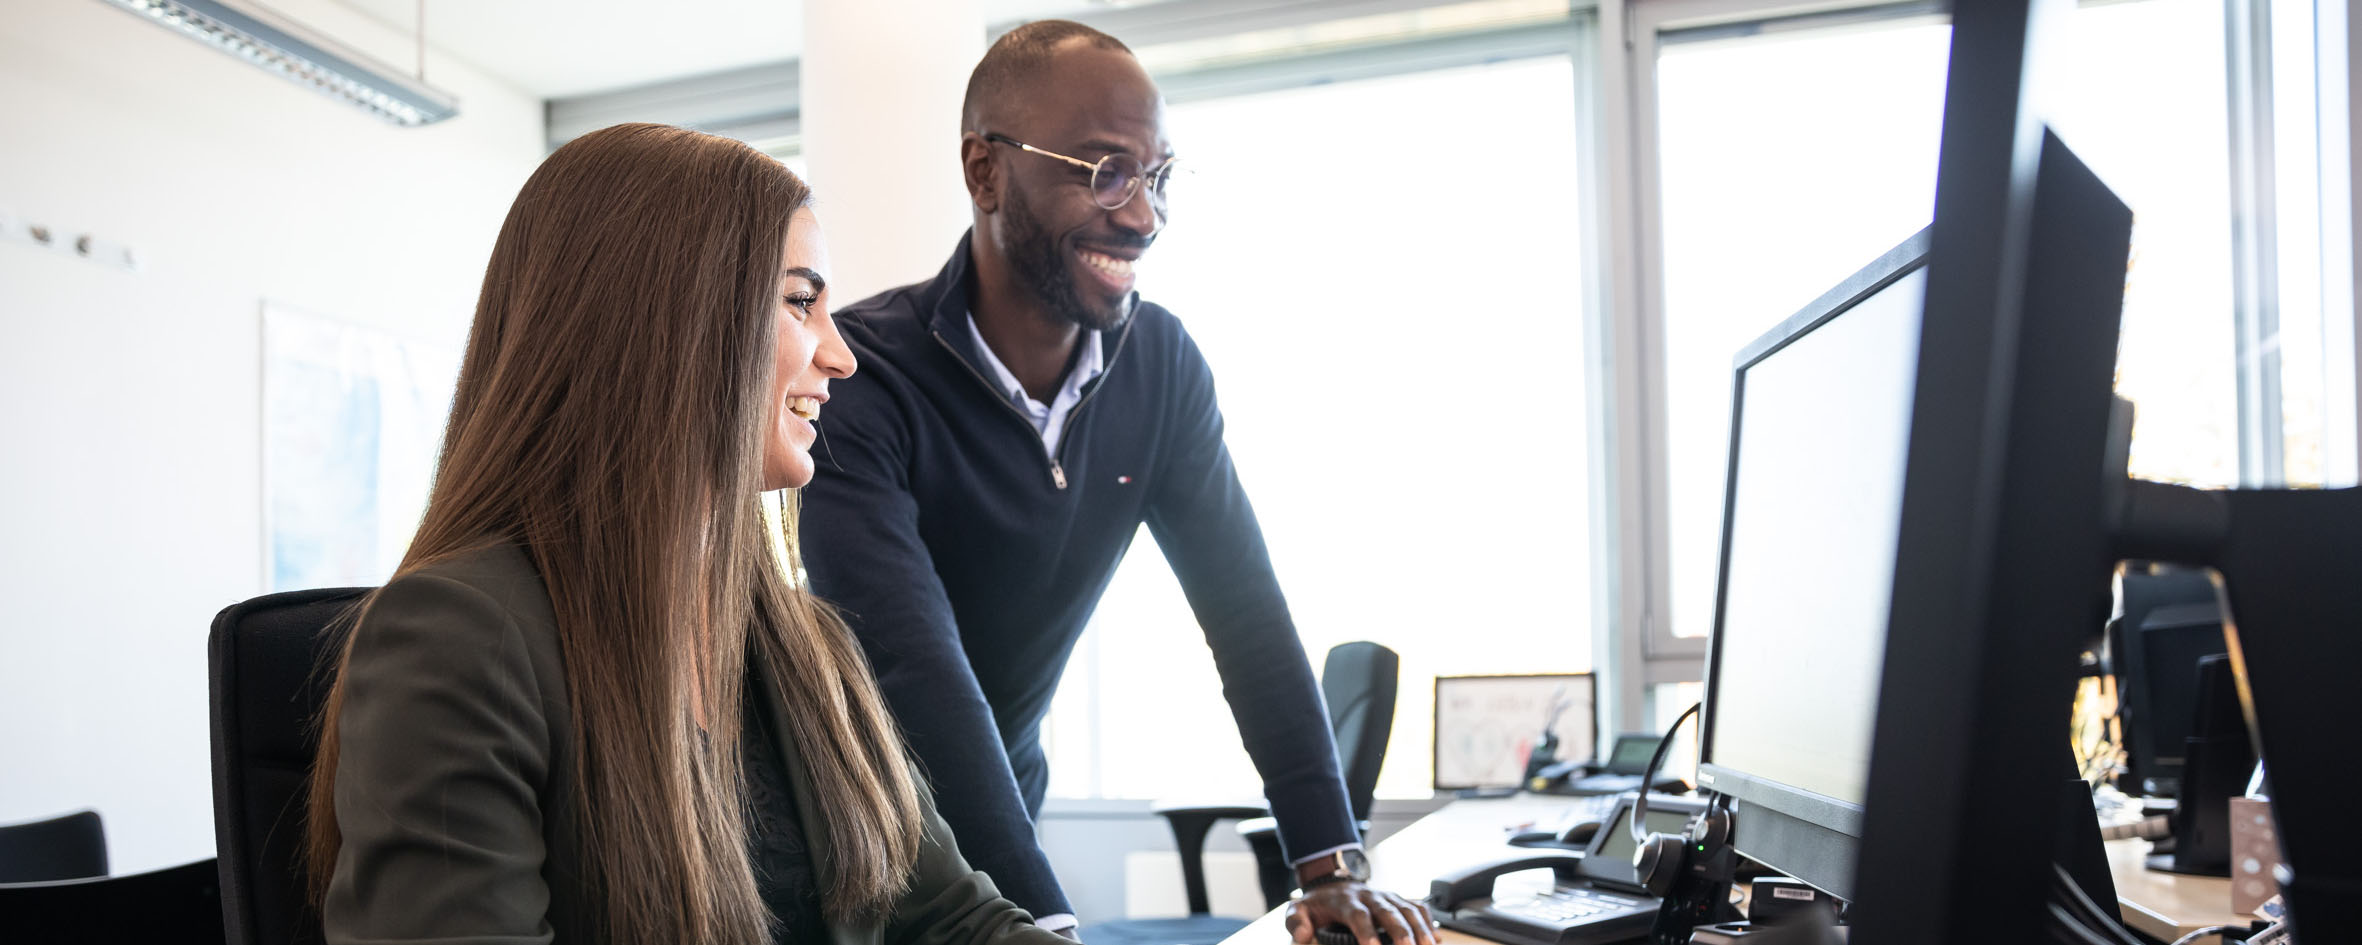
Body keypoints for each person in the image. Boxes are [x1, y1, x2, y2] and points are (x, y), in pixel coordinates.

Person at [302, 122, 1072, 945]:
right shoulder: (458, 640)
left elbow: (954, 918)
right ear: (670, 320)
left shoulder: (803, 642)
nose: (841, 356)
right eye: (800, 301)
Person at [799, 22, 1438, 945]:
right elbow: (913, 668)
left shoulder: (1160, 367)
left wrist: (1327, 862)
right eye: (1103, 170)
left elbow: (1245, 613)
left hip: (1005, 798)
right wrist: (1046, 917)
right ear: (985, 171)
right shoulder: (869, 378)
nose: (1142, 216)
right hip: (858, 835)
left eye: (1157, 176)